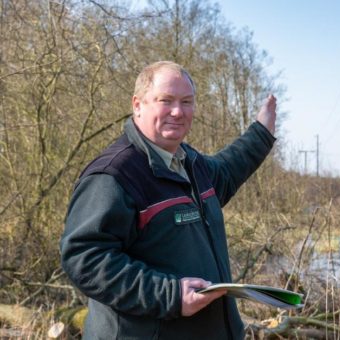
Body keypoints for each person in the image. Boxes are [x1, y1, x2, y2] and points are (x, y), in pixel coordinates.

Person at [60, 61, 277, 339]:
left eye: (187, 101)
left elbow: (228, 170)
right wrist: (170, 296)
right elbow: (85, 259)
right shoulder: (113, 175)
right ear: (137, 105)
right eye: (166, 100)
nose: (178, 111)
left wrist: (261, 132)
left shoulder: (189, 163)